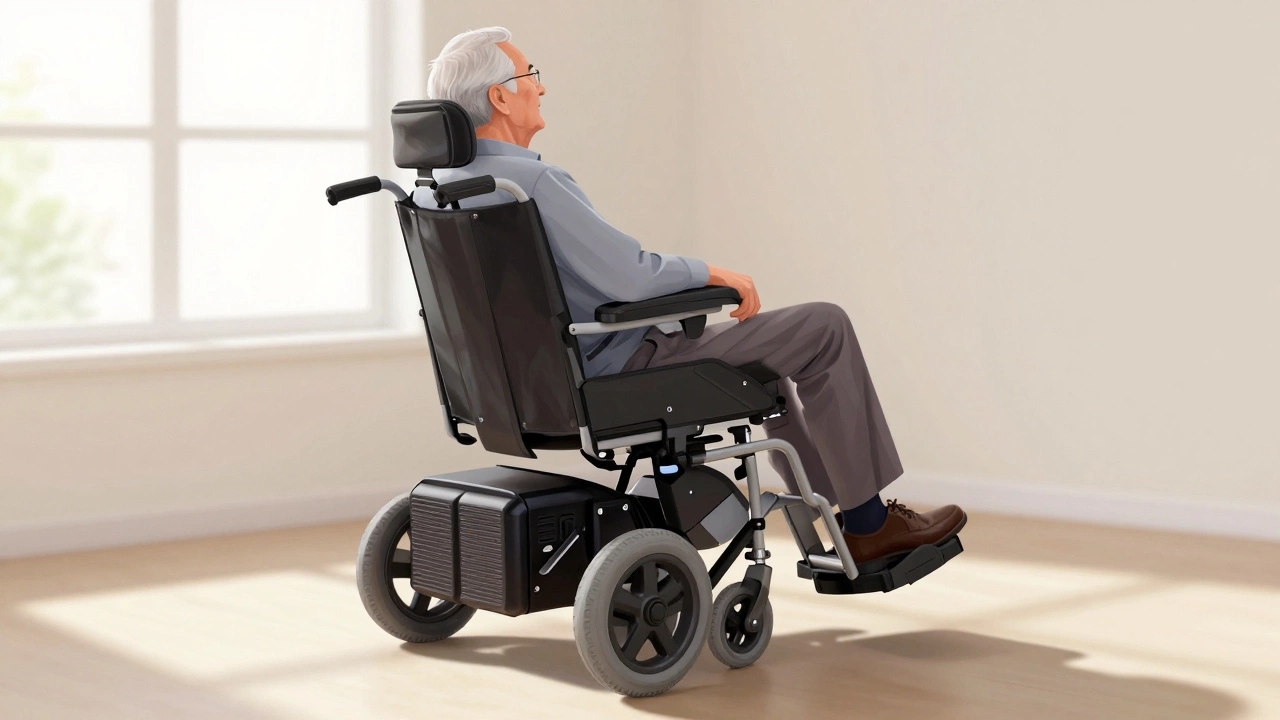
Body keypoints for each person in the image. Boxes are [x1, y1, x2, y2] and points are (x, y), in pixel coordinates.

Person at [420, 27, 966, 565]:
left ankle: (843, 511)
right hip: (614, 369)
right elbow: (630, 279)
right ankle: (868, 525)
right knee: (824, 326)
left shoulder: (440, 195)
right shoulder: (530, 186)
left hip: (513, 392)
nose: (540, 88)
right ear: (499, 97)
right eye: (529, 76)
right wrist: (711, 275)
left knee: (763, 365)